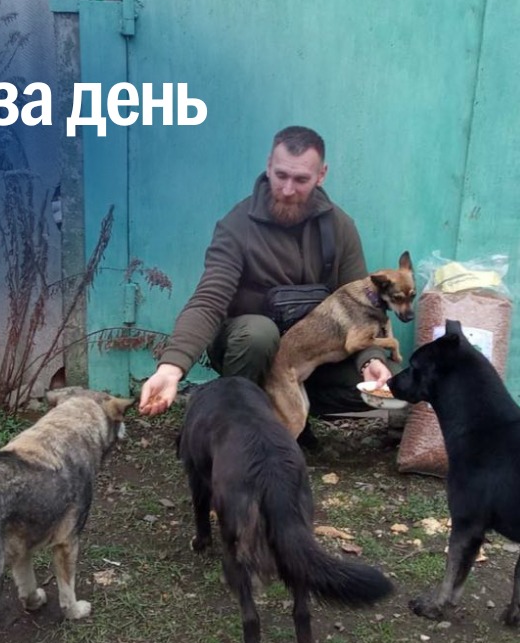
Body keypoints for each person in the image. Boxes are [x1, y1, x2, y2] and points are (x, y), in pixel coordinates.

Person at [137, 126, 395, 436]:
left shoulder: (340, 227)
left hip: (306, 355)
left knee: (394, 384)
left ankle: (285, 415)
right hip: (251, 351)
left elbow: (362, 308)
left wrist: (370, 360)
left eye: (301, 180)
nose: (287, 189)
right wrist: (171, 368)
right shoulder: (237, 225)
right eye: (280, 175)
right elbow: (208, 300)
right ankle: (237, 426)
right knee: (259, 334)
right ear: (269, 165)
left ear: (321, 175)